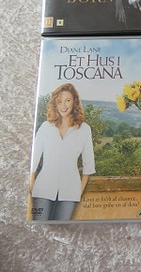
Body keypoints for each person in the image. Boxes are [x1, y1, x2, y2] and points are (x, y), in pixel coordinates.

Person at [29, 83, 95, 221]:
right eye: (59, 101)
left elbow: (88, 166)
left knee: (61, 228)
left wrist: (78, 193)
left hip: (70, 193)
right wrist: (33, 189)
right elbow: (32, 163)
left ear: (74, 102)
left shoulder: (84, 129)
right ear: (55, 104)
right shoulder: (46, 127)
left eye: (68, 100)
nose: (63, 106)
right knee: (39, 225)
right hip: (42, 190)